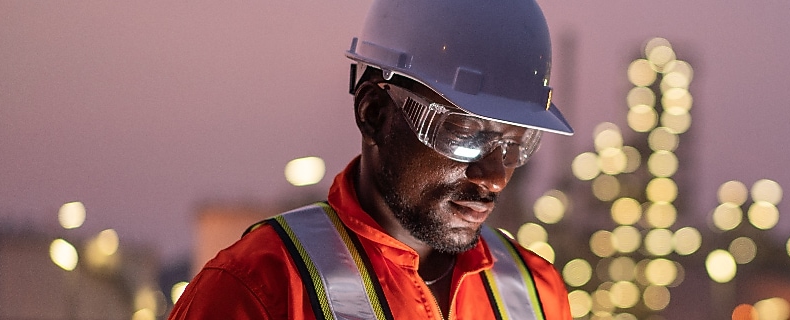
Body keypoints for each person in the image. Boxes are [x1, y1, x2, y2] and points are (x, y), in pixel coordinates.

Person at [169, 0, 574, 318]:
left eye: (516, 144)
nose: (495, 178)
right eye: (464, 134)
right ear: (375, 113)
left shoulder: (536, 294)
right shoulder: (259, 291)